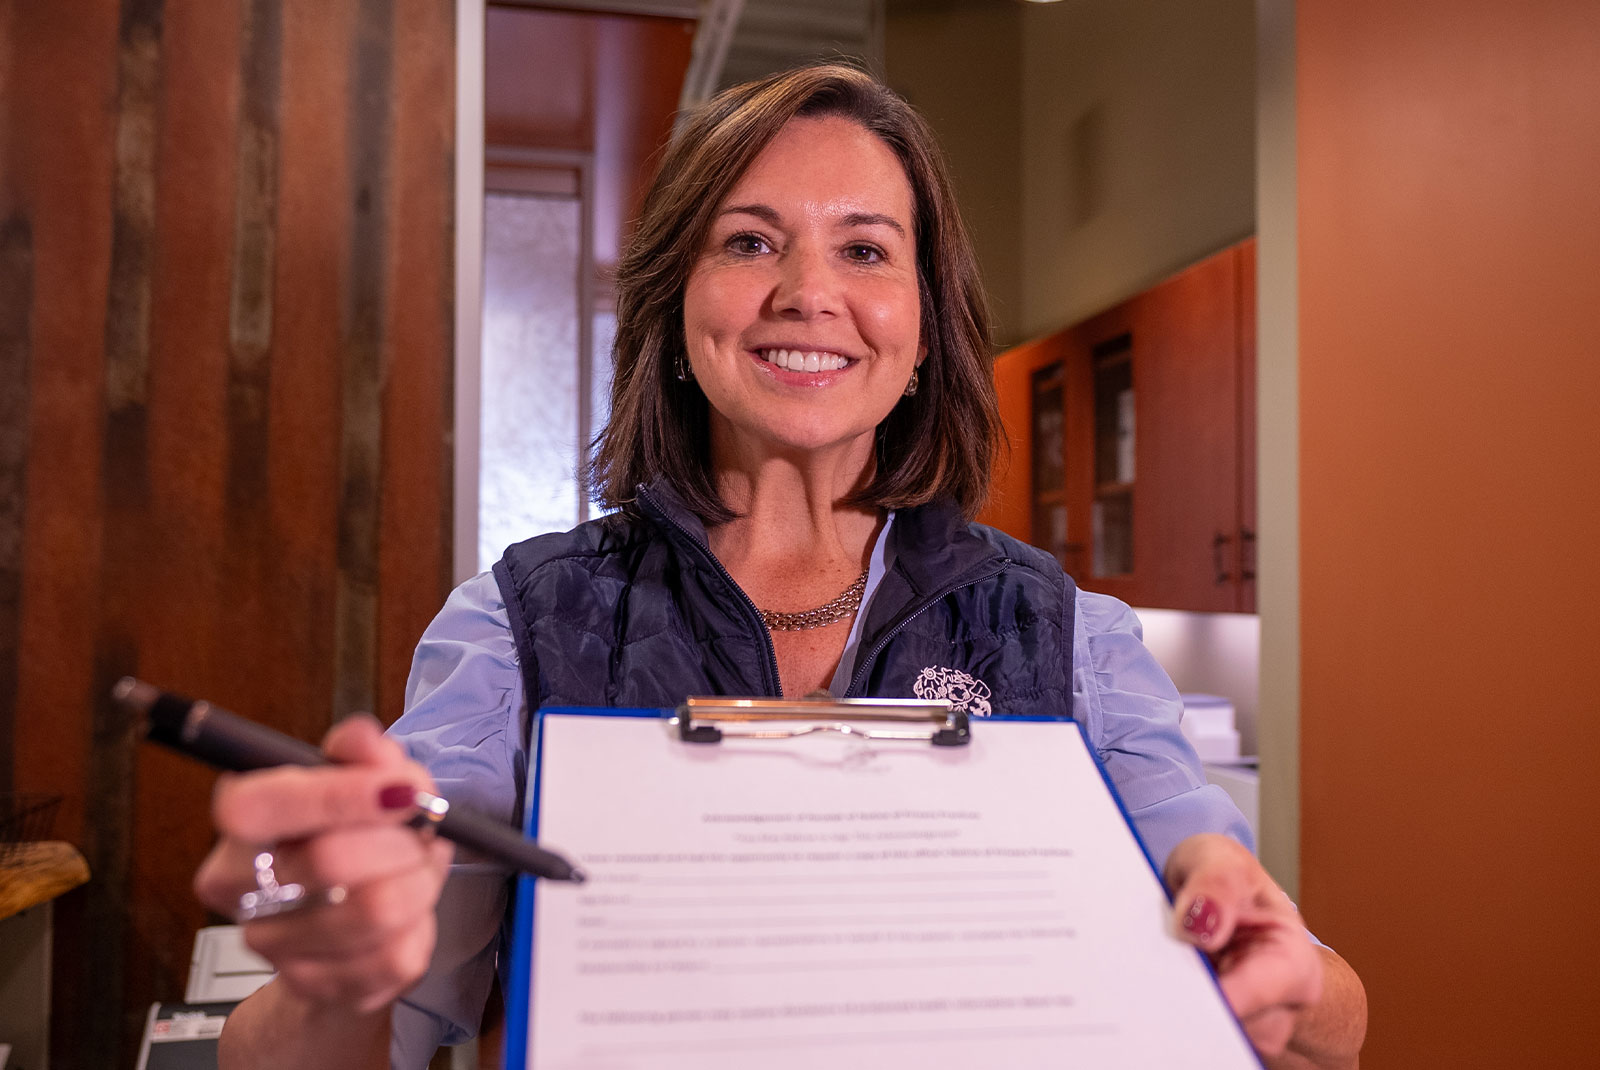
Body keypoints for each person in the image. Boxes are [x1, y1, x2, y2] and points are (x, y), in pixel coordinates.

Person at [196, 64, 1366, 1069]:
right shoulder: (518, 624)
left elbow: (1324, 1009)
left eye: (865, 248)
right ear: (677, 307)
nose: (809, 292)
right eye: (750, 240)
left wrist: (1278, 977)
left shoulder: (1071, 638)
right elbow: (345, 1034)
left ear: (920, 328)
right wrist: (336, 969)